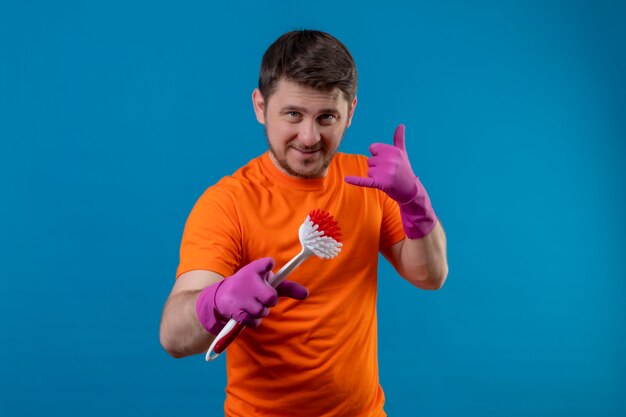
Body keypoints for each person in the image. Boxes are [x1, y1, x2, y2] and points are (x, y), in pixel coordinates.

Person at [159, 29, 448, 417]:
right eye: (293, 114)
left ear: (351, 112)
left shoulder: (370, 182)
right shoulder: (227, 203)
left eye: (326, 117)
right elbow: (174, 337)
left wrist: (414, 200)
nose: (309, 137)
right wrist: (218, 300)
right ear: (260, 106)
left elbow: (429, 276)